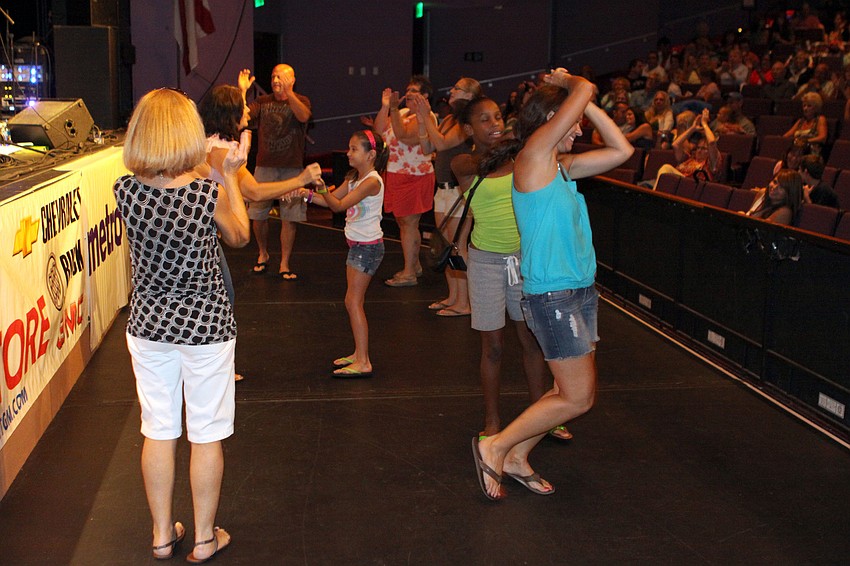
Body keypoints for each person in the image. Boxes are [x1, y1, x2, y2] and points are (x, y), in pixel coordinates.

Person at [472, 70, 633, 500]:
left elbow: (622, 149)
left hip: (579, 290)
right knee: (579, 398)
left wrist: (584, 104)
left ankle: (519, 456)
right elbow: (583, 90)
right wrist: (570, 82)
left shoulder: (561, 166)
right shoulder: (533, 156)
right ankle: (497, 445)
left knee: (567, 391)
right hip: (554, 295)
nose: (579, 129)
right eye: (573, 121)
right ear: (551, 120)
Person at [115, 88, 250, 561]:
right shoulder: (203, 192)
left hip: (149, 324)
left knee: (157, 429)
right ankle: (205, 537)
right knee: (206, 433)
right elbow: (239, 235)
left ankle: (159, 535)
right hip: (206, 326)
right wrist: (230, 177)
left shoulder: (124, 190)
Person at [451, 96, 571, 447]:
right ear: (469, 129)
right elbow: (476, 180)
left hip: (523, 259)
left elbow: (549, 137)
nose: (495, 124)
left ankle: (542, 415)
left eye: (498, 116)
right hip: (485, 262)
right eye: (484, 120)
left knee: (532, 343)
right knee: (493, 348)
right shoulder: (464, 163)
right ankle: (492, 419)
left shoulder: (522, 155)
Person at [309, 130, 388, 377]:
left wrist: (321, 190)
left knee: (353, 302)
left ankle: (363, 360)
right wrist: (308, 195)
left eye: (354, 149)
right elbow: (332, 199)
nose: (348, 153)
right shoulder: (354, 177)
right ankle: (358, 353)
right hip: (358, 246)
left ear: (371, 154)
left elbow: (339, 206)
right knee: (353, 301)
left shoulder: (372, 182)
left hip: (368, 249)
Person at [410, 78, 482, 316]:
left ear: (469, 96)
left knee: (458, 246)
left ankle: (466, 303)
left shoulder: (467, 122)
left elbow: (441, 143)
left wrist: (427, 113)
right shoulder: (451, 119)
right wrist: (423, 120)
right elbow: (427, 147)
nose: (452, 91)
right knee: (445, 246)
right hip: (442, 189)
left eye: (457, 89)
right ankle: (453, 296)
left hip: (458, 191)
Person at [239, 64, 312, 281]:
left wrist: (289, 94)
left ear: (292, 79)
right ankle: (263, 253)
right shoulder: (263, 102)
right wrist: (242, 91)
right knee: (257, 215)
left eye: (280, 76)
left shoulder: (301, 100)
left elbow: (304, 116)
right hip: (265, 166)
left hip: (292, 168)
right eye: (273, 76)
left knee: (289, 218)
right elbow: (241, 116)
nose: (275, 80)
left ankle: (284, 262)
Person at [374, 75, 437, 287]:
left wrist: (393, 109)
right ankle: (414, 265)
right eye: (407, 90)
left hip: (414, 177)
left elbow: (404, 136)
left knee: (409, 224)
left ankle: (409, 272)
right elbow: (379, 131)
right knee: (405, 223)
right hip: (395, 173)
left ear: (425, 96)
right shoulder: (401, 113)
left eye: (414, 91)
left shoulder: (427, 117)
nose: (408, 94)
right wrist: (386, 107)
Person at [650, 108, 720, 189]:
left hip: (692, 188)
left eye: (704, 148)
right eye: (698, 148)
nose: (699, 151)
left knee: (666, 168)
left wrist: (704, 124)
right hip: (677, 185)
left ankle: (654, 195)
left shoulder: (711, 164)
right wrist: (693, 128)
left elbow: (711, 142)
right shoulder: (689, 158)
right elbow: (676, 145)